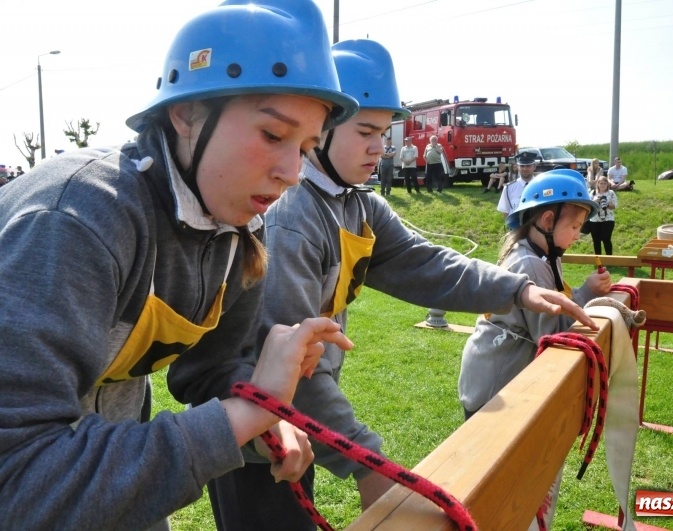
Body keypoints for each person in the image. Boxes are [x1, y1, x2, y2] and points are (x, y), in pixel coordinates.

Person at [210, 38, 599, 531]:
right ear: (321, 129)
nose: (382, 147)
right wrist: (366, 460)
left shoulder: (356, 204)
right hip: (254, 435)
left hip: (293, 428)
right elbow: (288, 367)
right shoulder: (293, 218)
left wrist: (516, 289)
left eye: (386, 132)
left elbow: (425, 263)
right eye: (366, 132)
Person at [0, 1, 359, 529]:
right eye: (272, 135)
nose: (292, 173)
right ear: (186, 114)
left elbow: (209, 367)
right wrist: (241, 417)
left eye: (306, 147)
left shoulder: (237, 233)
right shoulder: (75, 220)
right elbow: (20, 480)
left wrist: (256, 407)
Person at [459, 168, 611, 529]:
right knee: (502, 488)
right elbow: (552, 333)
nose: (578, 235)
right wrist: (588, 293)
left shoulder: (544, 257)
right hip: (495, 390)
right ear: (547, 219)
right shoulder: (529, 263)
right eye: (574, 227)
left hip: (501, 382)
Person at [498, 150, 538, 220]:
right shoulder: (508, 188)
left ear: (534, 167)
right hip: (517, 227)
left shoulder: (541, 185)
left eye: (528, 166)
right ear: (518, 167)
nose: (525, 169)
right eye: (522, 166)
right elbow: (506, 212)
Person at [587, 175, 618, 255]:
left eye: (605, 183)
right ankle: (598, 260)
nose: (603, 185)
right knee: (596, 240)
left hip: (608, 219)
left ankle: (609, 259)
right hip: (594, 220)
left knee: (606, 238)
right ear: (598, 184)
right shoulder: (593, 193)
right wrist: (594, 201)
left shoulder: (611, 193)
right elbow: (588, 206)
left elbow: (615, 206)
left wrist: (607, 204)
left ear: (607, 184)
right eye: (601, 183)